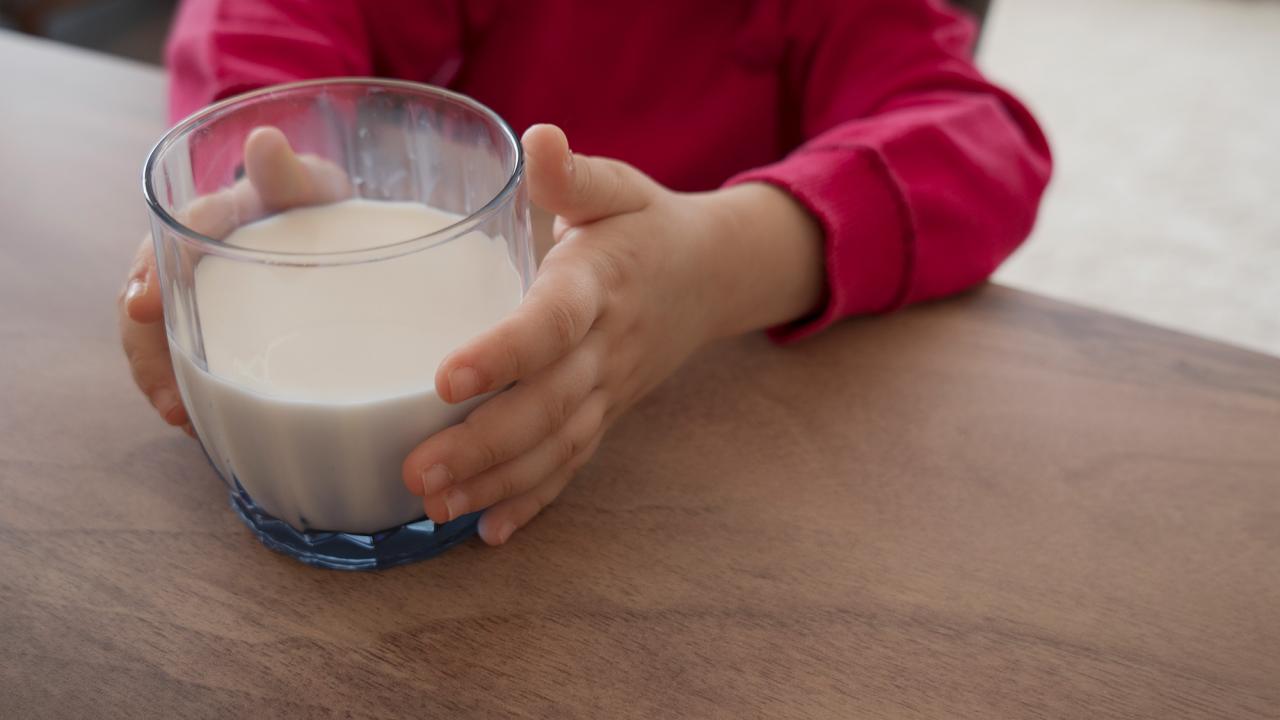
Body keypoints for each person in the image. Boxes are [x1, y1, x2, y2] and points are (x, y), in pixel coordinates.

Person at [119, 0, 1052, 546]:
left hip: (704, 488)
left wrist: (714, 264)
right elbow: (266, 20)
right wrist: (264, 174)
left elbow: (980, 143)